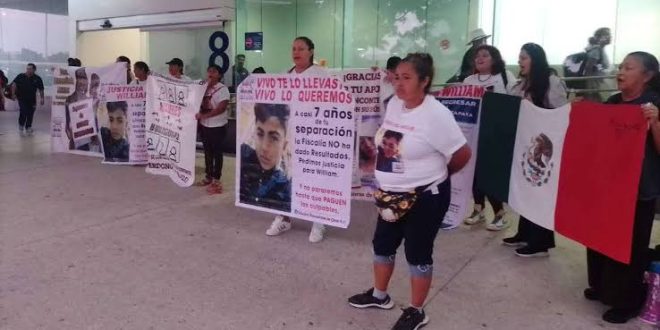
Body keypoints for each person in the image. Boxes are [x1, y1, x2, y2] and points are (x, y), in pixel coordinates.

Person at [348, 53, 471, 330]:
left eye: (406, 78)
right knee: (382, 246)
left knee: (417, 252)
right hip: (391, 195)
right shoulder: (395, 105)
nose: (398, 83)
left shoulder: (436, 114)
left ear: (425, 81)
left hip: (426, 197)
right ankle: (380, 296)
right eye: (396, 77)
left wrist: (436, 177)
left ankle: (417, 311)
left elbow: (462, 154)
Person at [584, 51, 660, 324]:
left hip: (639, 190)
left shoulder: (653, 105)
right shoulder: (613, 102)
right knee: (600, 237)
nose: (621, 71)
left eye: (629, 67)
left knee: (629, 245)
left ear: (647, 76)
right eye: (621, 66)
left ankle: (627, 301)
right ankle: (602, 285)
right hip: (608, 186)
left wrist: (655, 123)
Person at [502, 43, 568, 257]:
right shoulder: (522, 84)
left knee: (541, 191)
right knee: (527, 189)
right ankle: (525, 233)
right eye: (519, 58)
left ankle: (540, 242)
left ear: (536, 59)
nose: (520, 61)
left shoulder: (551, 82)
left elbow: (559, 113)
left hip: (544, 146)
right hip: (525, 144)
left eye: (524, 58)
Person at [265, 36, 328, 243]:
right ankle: (284, 217)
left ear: (311, 51)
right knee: (285, 178)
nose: (296, 52)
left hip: (313, 137)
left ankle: (318, 221)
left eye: (301, 48)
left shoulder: (321, 75)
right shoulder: (285, 75)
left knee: (313, 179)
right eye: (293, 48)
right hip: (289, 137)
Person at [462, 45, 517, 231]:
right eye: (477, 56)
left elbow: (516, 101)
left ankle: (500, 212)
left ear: (494, 58)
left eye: (485, 55)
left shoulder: (505, 76)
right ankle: (478, 209)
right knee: (475, 172)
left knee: (492, 173)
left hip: (497, 134)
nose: (480, 58)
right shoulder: (468, 80)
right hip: (475, 133)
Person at [239, 103, 292, 211]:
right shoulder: (244, 157)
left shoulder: (284, 188)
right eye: (260, 134)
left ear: (284, 145)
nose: (264, 147)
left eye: (274, 138)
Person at [196, 64, 231, 195]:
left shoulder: (223, 90)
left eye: (214, 71)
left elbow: (221, 108)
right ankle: (208, 176)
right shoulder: (203, 88)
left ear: (219, 75)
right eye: (209, 71)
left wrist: (204, 115)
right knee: (207, 152)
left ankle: (217, 179)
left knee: (217, 153)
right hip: (205, 126)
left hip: (217, 126)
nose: (210, 74)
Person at [11, 63, 44, 136]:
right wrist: (13, 94)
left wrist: (42, 98)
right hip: (21, 98)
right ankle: (21, 125)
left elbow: (41, 89)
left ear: (34, 70)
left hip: (32, 100)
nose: (28, 70)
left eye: (30, 69)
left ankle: (28, 126)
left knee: (30, 113)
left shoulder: (37, 78)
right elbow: (14, 84)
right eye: (27, 68)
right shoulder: (21, 76)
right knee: (23, 111)